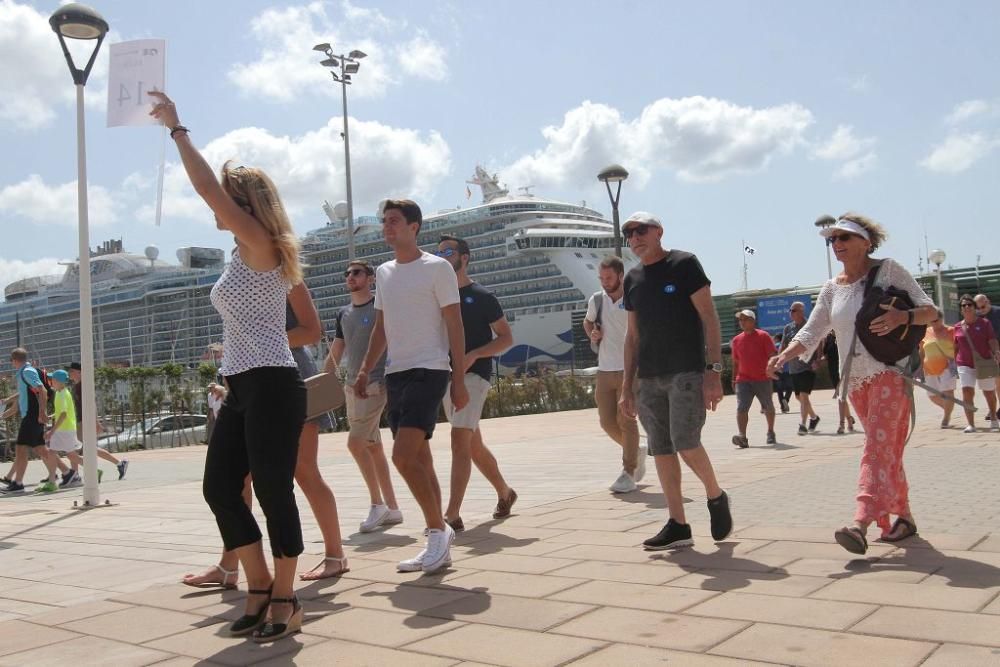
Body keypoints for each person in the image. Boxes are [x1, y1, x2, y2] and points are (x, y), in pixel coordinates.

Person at [151, 91, 306, 642]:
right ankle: (258, 583)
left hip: (272, 382)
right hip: (242, 385)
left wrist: (177, 128)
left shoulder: (262, 241)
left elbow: (205, 189)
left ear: (244, 206)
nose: (216, 211)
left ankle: (286, 594)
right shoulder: (244, 254)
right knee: (220, 488)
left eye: (227, 202)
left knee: (272, 489)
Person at [767, 213, 936, 554]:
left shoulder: (889, 270)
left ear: (865, 242)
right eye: (833, 240)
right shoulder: (832, 288)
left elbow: (930, 311)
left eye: (844, 238)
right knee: (886, 451)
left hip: (890, 372)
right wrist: (784, 355)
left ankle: (859, 522)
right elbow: (813, 331)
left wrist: (902, 317)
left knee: (875, 448)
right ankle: (902, 518)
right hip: (855, 381)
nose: (837, 245)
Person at [183, 285, 350, 586]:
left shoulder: (284, 273)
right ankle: (229, 564)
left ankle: (335, 555)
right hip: (246, 376)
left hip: (290, 373)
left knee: (304, 471)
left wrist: (262, 341)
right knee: (238, 479)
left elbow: (311, 331)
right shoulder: (237, 273)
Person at [355, 199, 468, 574]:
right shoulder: (384, 273)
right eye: (384, 221)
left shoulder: (437, 268)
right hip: (396, 373)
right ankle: (439, 537)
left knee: (402, 457)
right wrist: (365, 369)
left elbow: (454, 325)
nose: (387, 227)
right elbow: (381, 327)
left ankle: (438, 530)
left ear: (414, 226)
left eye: (394, 221)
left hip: (430, 368)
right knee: (419, 458)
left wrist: (458, 379)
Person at [618, 211, 733, 550]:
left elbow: (709, 317)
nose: (635, 238)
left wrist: (714, 372)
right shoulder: (633, 278)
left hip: (686, 369)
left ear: (658, 232)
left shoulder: (684, 264)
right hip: (649, 377)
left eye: (641, 230)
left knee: (685, 441)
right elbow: (632, 336)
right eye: (629, 233)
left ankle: (716, 496)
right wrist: (628, 386)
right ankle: (678, 524)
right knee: (661, 449)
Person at [436, 235, 518, 530]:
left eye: (449, 251)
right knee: (473, 444)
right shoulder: (438, 297)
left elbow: (507, 337)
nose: (443, 255)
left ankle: (451, 514)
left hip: (474, 375)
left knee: (459, 439)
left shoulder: (482, 296)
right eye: (439, 251)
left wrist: (475, 354)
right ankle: (505, 493)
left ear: (465, 257)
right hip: (445, 376)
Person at [326, 260, 403, 533]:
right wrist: (323, 380)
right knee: (372, 446)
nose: (350, 277)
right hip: (351, 387)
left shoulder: (380, 308)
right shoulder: (343, 313)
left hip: (375, 384)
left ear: (370, 278)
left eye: (356, 272)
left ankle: (377, 504)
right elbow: (337, 351)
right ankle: (392, 508)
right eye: (346, 273)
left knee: (355, 444)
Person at [583, 255, 645, 492]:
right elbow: (587, 322)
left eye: (608, 277)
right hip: (604, 369)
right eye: (601, 277)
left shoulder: (634, 297)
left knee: (626, 419)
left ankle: (628, 471)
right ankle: (636, 451)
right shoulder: (597, 300)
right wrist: (592, 334)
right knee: (607, 422)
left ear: (620, 276)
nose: (604, 282)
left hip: (630, 368)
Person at [1, 348, 60, 494]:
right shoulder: (24, 372)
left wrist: (42, 412)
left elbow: (42, 390)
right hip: (31, 416)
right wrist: (8, 400)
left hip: (32, 416)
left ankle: (18, 483)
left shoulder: (27, 371)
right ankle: (65, 473)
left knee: (21, 449)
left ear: (14, 360)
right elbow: (24, 393)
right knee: (40, 449)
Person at [68, 362, 128, 481]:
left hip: (85, 421)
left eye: (71, 371)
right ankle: (119, 463)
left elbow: (91, 404)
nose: (69, 373)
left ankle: (75, 475)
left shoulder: (83, 386)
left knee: (73, 448)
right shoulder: (76, 386)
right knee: (86, 448)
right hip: (81, 421)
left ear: (79, 372)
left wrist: (95, 422)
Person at [730, 309, 777, 447]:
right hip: (743, 380)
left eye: (745, 319)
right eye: (740, 320)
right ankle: (742, 436)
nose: (742, 322)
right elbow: (736, 362)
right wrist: (734, 379)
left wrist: (772, 369)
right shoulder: (736, 340)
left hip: (762, 378)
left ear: (753, 321)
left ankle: (770, 431)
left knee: (768, 406)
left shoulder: (764, 336)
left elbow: (773, 355)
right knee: (741, 408)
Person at [954, 294, 1000, 433]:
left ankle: (993, 418)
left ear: (975, 308)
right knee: (967, 391)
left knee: (988, 392)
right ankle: (971, 424)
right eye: (964, 305)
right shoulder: (957, 327)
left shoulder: (985, 323)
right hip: (964, 364)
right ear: (961, 310)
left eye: (969, 304)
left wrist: (996, 352)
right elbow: (955, 347)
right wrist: (952, 363)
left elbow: (991, 340)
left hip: (984, 362)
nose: (967, 307)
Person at [780, 303, 821, 435]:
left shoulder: (810, 325)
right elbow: (783, 346)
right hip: (793, 367)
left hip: (807, 366)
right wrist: (779, 361)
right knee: (799, 396)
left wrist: (818, 359)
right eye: (790, 310)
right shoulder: (788, 328)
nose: (791, 313)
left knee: (803, 395)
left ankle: (803, 424)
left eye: (794, 310)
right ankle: (814, 417)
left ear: (801, 312)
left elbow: (819, 342)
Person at [920, 309, 957, 428]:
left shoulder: (951, 331)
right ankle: (948, 409)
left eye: (936, 320)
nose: (933, 323)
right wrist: (920, 367)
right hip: (929, 368)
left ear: (941, 319)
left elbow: (959, 348)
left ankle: (946, 418)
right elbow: (921, 350)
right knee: (932, 395)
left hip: (947, 367)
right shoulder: (926, 332)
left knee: (948, 392)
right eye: (931, 321)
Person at [821, 333, 856, 434]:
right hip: (834, 370)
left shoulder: (845, 333)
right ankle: (849, 419)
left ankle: (842, 424)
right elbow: (825, 354)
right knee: (841, 396)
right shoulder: (829, 338)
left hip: (846, 368)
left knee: (842, 396)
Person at [772, 333, 792, 413]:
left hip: (777, 370)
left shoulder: (774, 346)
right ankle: (786, 400)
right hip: (788, 369)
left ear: (777, 339)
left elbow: (771, 357)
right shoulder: (787, 346)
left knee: (779, 389)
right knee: (789, 387)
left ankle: (783, 406)